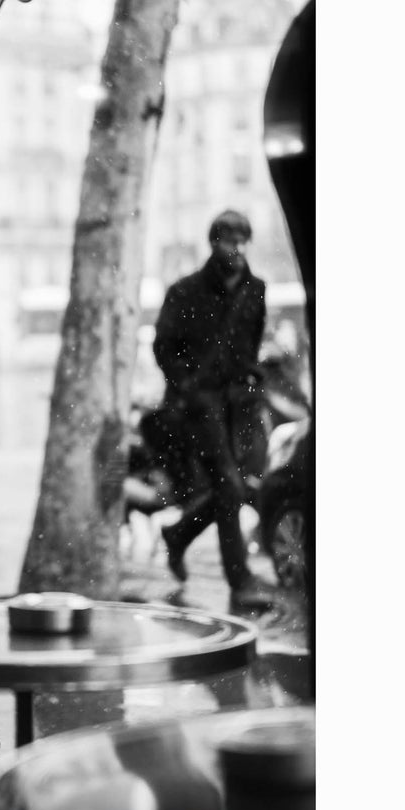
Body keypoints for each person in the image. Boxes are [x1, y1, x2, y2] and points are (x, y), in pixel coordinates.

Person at [151, 210, 272, 611]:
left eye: (243, 241)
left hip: (240, 404)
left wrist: (251, 377)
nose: (237, 249)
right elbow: (163, 347)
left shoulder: (256, 289)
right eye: (230, 241)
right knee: (231, 486)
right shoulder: (185, 291)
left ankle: (178, 535)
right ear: (214, 243)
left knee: (232, 488)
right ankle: (241, 582)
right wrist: (188, 387)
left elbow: (252, 341)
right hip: (200, 407)